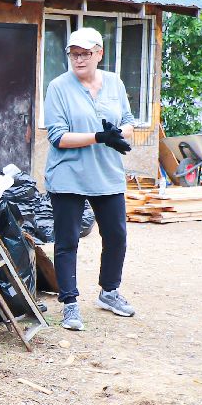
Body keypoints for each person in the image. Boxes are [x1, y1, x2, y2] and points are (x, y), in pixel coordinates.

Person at [44, 26, 136, 332]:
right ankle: (70, 303)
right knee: (67, 241)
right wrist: (99, 136)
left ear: (99, 53)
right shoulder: (58, 87)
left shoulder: (114, 83)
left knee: (116, 236)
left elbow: (128, 123)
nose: (79, 59)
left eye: (85, 53)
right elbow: (58, 137)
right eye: (74, 54)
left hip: (107, 174)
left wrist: (119, 135)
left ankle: (109, 292)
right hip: (68, 174)